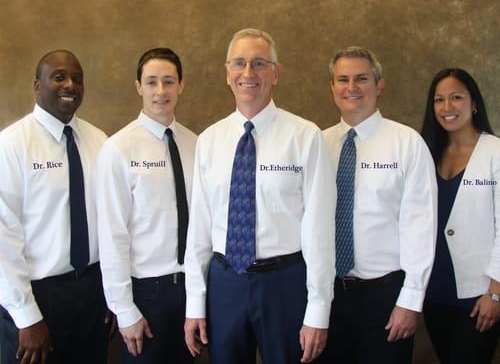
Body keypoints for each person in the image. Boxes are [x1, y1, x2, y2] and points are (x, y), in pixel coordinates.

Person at [184, 28, 335, 364]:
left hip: (285, 284)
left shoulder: (305, 137)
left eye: (259, 63)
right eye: (239, 63)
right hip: (226, 284)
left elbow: (319, 231)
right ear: (227, 73)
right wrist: (195, 303)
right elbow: (200, 229)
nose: (248, 73)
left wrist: (318, 310)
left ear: (275, 73)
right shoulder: (209, 140)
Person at [319, 46, 437, 363]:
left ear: (379, 85)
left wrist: (410, 301)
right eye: (342, 79)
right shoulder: (318, 144)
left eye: (362, 78)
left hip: (385, 298)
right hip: (327, 296)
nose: (351, 87)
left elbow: (421, 226)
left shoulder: (407, 143)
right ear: (332, 87)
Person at [0, 50, 109, 364]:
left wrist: (110, 297)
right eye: (59, 76)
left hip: (91, 293)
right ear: (37, 86)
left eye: (78, 78)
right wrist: (26, 315)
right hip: (38, 296)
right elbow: (4, 238)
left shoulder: (98, 140)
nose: (70, 85)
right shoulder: (12, 145)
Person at [96, 47, 196, 363]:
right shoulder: (118, 149)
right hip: (145, 295)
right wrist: (124, 309)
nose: (161, 91)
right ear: (138, 87)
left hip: (191, 291)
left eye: (168, 81)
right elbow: (111, 234)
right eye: (151, 82)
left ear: (181, 85)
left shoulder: (196, 145)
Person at [420, 68, 500, 363]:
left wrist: (495, 294)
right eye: (439, 100)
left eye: (456, 97)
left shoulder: (495, 152)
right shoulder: (426, 152)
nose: (447, 107)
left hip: (479, 294)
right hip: (434, 291)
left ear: (474, 103)